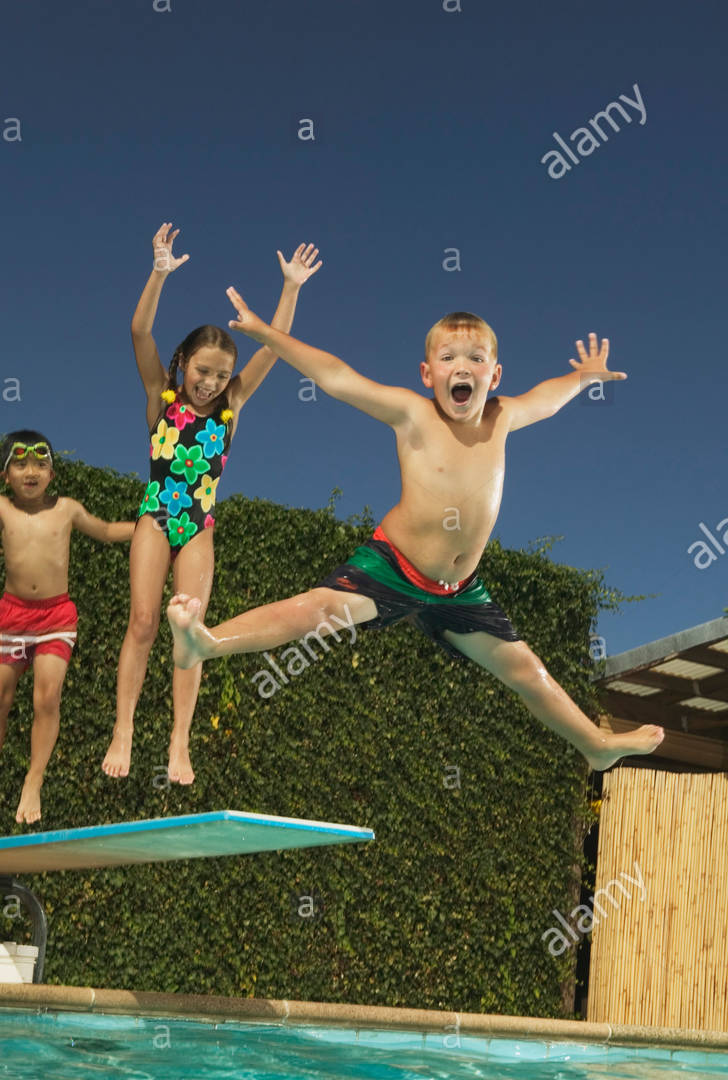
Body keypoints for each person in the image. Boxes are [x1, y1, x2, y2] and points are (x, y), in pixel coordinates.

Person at [167, 296, 664, 772]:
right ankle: (207, 642)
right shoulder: (412, 413)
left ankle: (596, 746)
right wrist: (265, 333)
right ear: (428, 374)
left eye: (477, 358)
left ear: (495, 375)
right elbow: (337, 377)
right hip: (394, 566)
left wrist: (584, 376)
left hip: (459, 589)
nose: (462, 367)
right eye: (448, 357)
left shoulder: (502, 416)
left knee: (525, 671)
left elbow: (548, 400)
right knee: (321, 610)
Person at [102, 224, 322, 784]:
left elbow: (275, 347)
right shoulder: (162, 395)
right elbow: (138, 330)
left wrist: (290, 288)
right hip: (155, 516)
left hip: (198, 527)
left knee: (189, 632)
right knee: (144, 621)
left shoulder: (233, 406)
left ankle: (179, 743)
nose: (211, 382)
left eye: (221, 374)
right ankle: (123, 729)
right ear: (184, 365)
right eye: (203, 371)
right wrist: (158, 272)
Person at [0, 432, 135, 824]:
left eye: (40, 465)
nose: (31, 472)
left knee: (47, 697)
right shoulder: (3, 509)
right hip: (11, 616)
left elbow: (108, 531)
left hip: (55, 617)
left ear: (53, 473)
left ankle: (34, 779)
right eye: (20, 464)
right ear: (5, 474)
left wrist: (152, 524)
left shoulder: (68, 509)